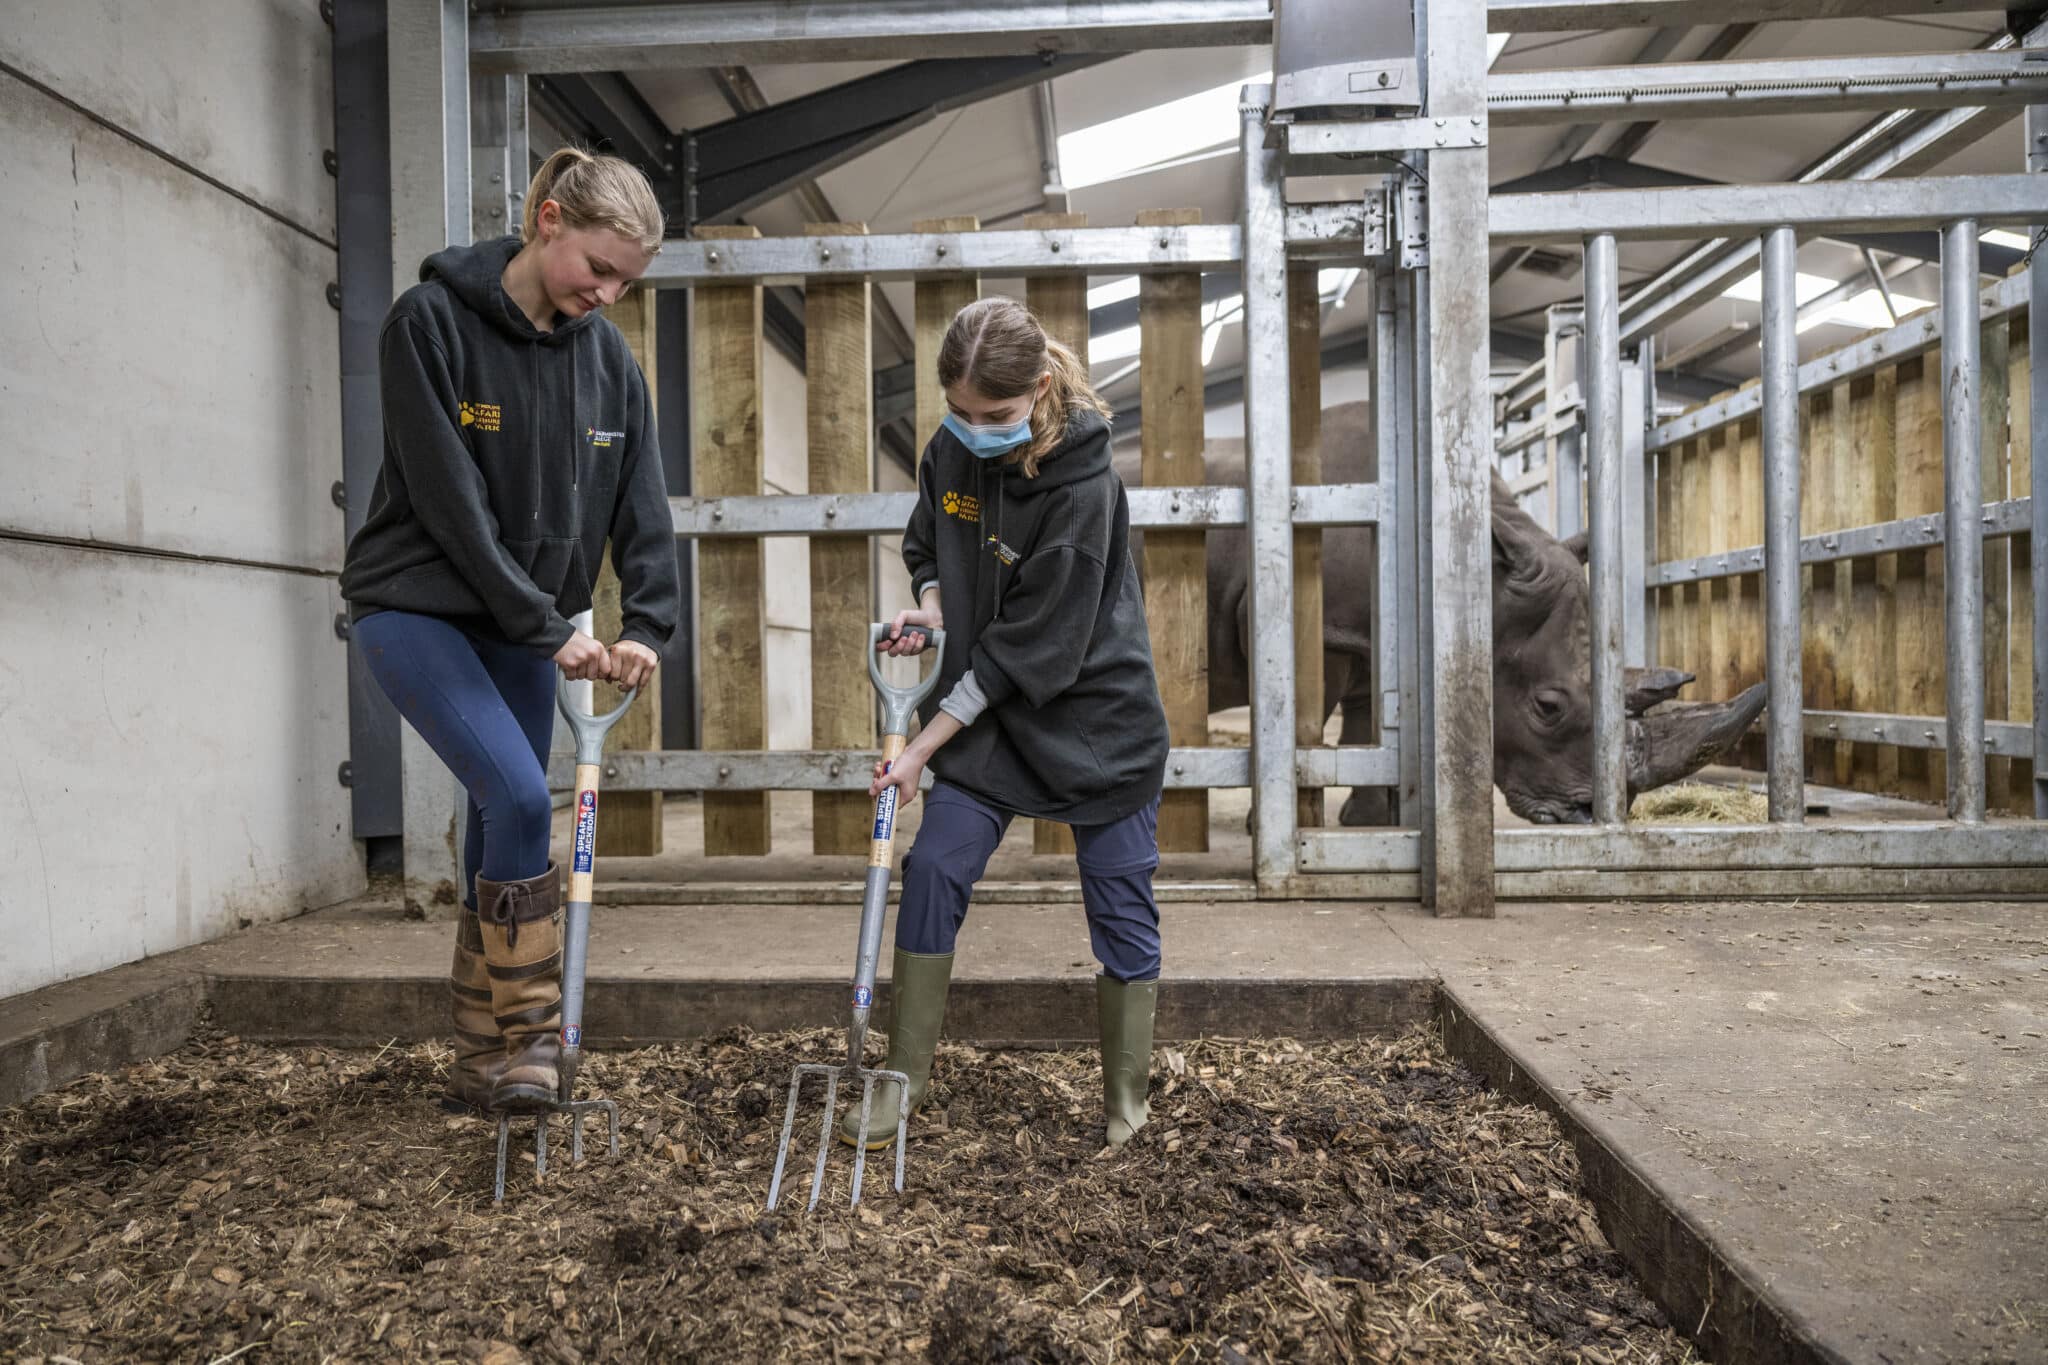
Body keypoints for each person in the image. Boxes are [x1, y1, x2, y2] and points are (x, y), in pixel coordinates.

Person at [338, 148, 679, 1115]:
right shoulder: (430, 324)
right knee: (524, 797)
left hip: (524, 624)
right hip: (418, 607)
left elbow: (641, 506)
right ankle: (535, 1040)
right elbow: (451, 509)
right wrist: (548, 623)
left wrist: (646, 623)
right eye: (598, 269)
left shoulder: (610, 364)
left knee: (501, 815)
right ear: (549, 222)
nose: (609, 294)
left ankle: (481, 1055)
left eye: (626, 281)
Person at [847, 296, 1171, 1152]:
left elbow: (1034, 652)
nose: (973, 429)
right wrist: (934, 607)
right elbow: (928, 542)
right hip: (988, 721)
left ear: (1038, 387)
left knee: (1121, 909)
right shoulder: (952, 449)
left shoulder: (1084, 491)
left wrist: (919, 746)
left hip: (1095, 722)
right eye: (957, 410)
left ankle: (1126, 1109)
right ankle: (901, 1083)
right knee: (935, 871)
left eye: (994, 416)